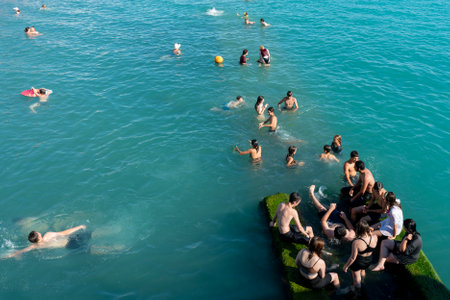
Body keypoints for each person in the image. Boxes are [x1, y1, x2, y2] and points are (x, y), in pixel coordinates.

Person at [5, 225, 87, 258]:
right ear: (39, 235)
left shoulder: (35, 246)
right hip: (71, 240)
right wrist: (80, 226)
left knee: (87, 249)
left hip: (69, 247)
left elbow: (21, 251)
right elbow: (65, 232)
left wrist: (10, 255)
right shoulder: (48, 235)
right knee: (90, 235)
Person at [343, 220, 377, 291]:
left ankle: (357, 291)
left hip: (358, 262)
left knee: (356, 279)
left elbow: (352, 258)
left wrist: (346, 266)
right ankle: (363, 281)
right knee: (363, 270)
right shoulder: (375, 237)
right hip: (368, 260)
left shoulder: (356, 242)